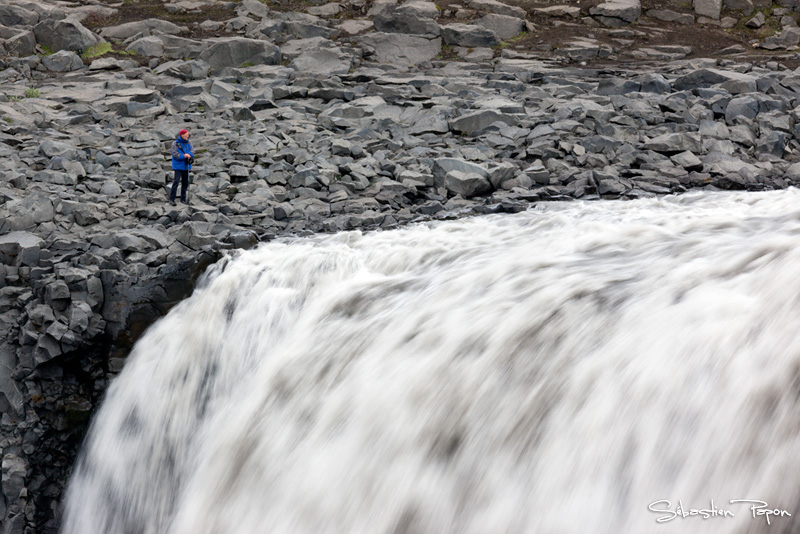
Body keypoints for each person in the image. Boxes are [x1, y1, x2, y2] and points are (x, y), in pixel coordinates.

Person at [170, 129, 194, 206]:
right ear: (182, 135)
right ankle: (172, 199)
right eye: (187, 134)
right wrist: (184, 156)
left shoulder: (189, 142)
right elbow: (174, 154)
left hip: (186, 166)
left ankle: (183, 199)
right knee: (176, 182)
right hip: (178, 166)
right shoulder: (175, 143)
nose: (188, 136)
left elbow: (193, 151)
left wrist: (189, 155)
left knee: (185, 182)